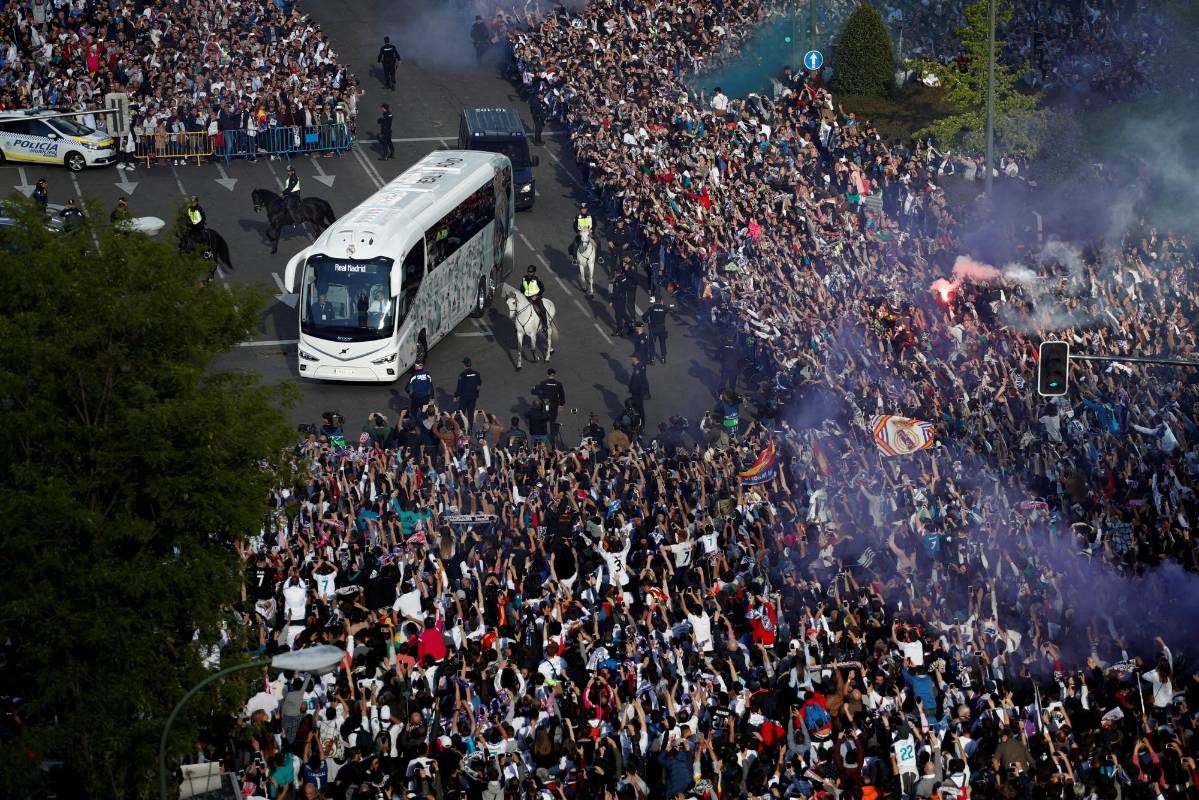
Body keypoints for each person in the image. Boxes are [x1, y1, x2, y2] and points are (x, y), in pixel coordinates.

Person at [534, 367, 566, 444]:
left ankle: (542, 439)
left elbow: (536, 391)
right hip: (554, 405)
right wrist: (561, 404)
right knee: (552, 422)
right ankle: (552, 439)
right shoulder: (558, 384)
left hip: (546, 405)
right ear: (554, 374)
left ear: (547, 374)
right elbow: (562, 394)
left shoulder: (543, 383)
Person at [453, 357, 482, 430]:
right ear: (470, 364)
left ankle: (462, 427)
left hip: (464, 397)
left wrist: (456, 396)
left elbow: (459, 387)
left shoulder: (462, 375)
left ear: (464, 365)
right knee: (471, 413)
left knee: (461, 412)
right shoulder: (476, 374)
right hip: (473, 397)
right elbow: (479, 384)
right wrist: (476, 393)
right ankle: (470, 429)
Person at [642, 295, 670, 363]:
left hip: (653, 328)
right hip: (661, 328)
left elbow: (644, 317)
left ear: (655, 301)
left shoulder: (651, 308)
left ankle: (652, 359)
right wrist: (662, 305)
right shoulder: (664, 308)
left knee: (652, 344)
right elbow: (668, 309)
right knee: (662, 343)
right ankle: (663, 358)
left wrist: (647, 321)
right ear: (661, 301)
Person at [521, 264, 548, 333]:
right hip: (526, 297)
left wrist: (536, 296)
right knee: (518, 309)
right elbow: (522, 288)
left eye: (531, 272)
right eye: (528, 272)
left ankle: (545, 325)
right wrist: (522, 294)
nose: (529, 273)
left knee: (542, 309)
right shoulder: (524, 278)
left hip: (536, 298)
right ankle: (519, 325)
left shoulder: (537, 279)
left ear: (534, 272)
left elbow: (542, 289)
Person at [611, 263, 636, 336]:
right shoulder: (624, 277)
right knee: (622, 313)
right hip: (623, 298)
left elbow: (615, 292)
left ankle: (620, 329)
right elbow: (629, 286)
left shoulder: (617, 281)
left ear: (616, 272)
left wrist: (612, 301)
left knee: (618, 315)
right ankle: (630, 324)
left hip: (618, 300)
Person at [627, 353, 650, 423]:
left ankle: (641, 425)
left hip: (637, 392)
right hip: (638, 392)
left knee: (639, 409)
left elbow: (637, 381)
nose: (631, 358)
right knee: (638, 408)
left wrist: (632, 389)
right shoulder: (639, 365)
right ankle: (639, 423)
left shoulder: (638, 368)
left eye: (632, 357)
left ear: (636, 358)